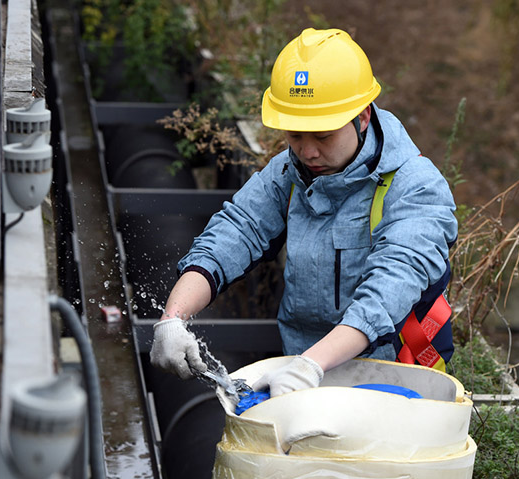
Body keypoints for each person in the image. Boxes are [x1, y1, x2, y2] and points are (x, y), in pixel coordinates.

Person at [150, 27, 458, 397]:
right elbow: (234, 232)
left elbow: (387, 292)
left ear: (361, 118)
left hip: (393, 381)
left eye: (323, 136)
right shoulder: (290, 172)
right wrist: (173, 318)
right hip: (300, 372)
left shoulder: (416, 188)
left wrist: (311, 365)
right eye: (295, 135)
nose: (307, 152)